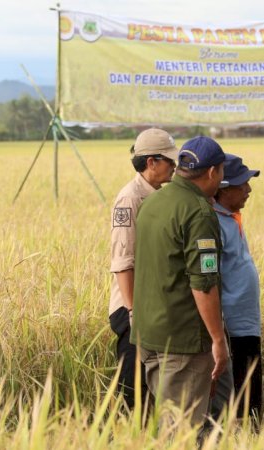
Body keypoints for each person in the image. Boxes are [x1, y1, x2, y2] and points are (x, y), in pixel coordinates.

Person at [131, 136, 229, 429]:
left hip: (149, 335)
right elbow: (203, 283)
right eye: (222, 171)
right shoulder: (198, 211)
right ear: (212, 172)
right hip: (182, 340)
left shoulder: (154, 201)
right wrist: (217, 339)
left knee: (168, 423)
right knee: (182, 432)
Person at [109, 128, 178, 409]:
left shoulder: (159, 194)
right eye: (170, 161)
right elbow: (122, 261)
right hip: (134, 309)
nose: (175, 166)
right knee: (133, 389)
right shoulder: (131, 198)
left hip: (153, 307)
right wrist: (134, 312)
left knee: (155, 386)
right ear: (151, 162)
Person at [209, 154, 263, 420]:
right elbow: (208, 280)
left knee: (251, 392)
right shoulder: (213, 223)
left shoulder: (231, 217)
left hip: (246, 323)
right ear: (223, 187)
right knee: (238, 398)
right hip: (230, 328)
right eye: (243, 184)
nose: (248, 189)